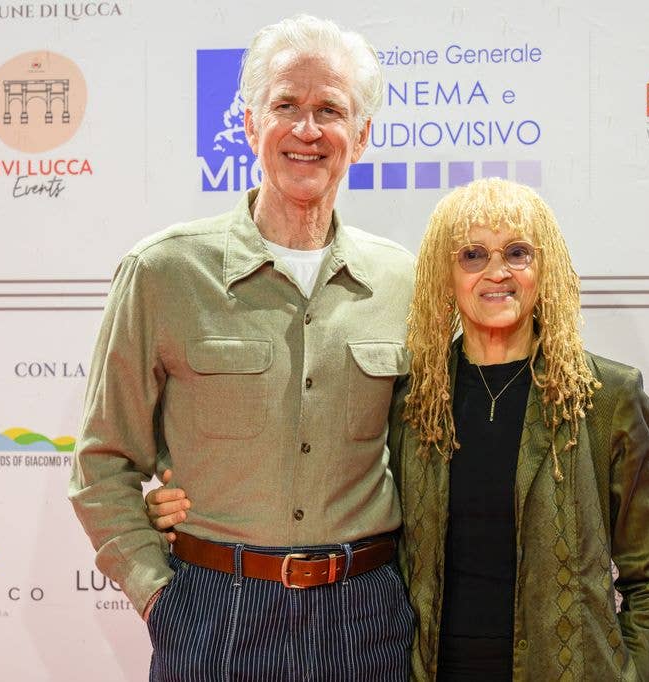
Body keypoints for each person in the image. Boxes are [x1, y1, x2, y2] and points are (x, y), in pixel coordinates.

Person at [151, 178, 649, 681]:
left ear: (547, 270)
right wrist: (189, 492)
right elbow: (331, 473)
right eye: (473, 255)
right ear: (444, 276)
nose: (497, 272)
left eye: (517, 253)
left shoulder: (605, 397)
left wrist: (626, 675)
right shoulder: (414, 399)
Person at [69, 15, 414, 682]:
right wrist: (159, 595)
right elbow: (102, 461)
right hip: (212, 612)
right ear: (251, 124)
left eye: (330, 110)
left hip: (367, 616)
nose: (307, 130)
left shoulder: (404, 281)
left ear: (362, 137)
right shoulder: (162, 272)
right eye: (285, 105)